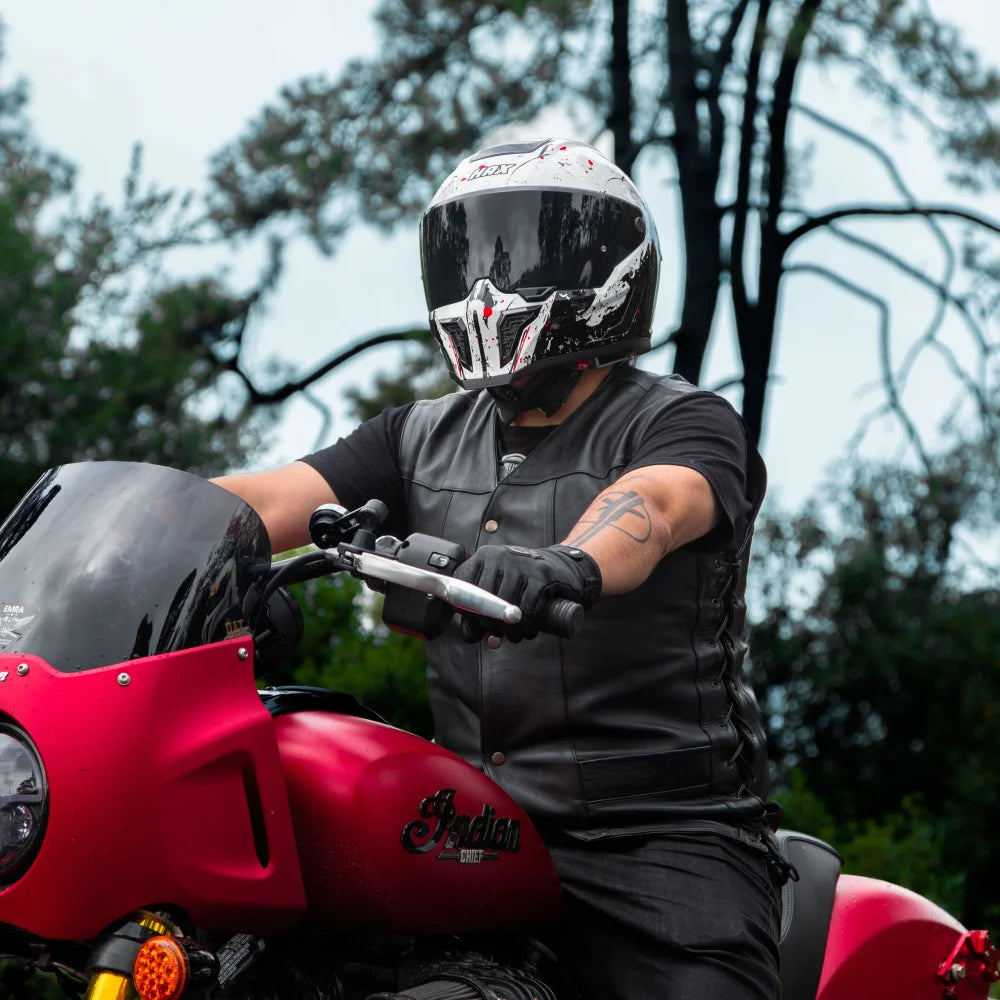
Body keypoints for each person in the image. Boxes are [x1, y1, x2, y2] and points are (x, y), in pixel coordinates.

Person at [216, 138, 781, 999]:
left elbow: (657, 504)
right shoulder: (417, 436)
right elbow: (266, 498)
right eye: (469, 254)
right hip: (473, 825)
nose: (486, 285)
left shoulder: (684, 422)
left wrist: (564, 565)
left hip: (660, 837)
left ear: (610, 271)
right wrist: (130, 527)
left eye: (520, 253)